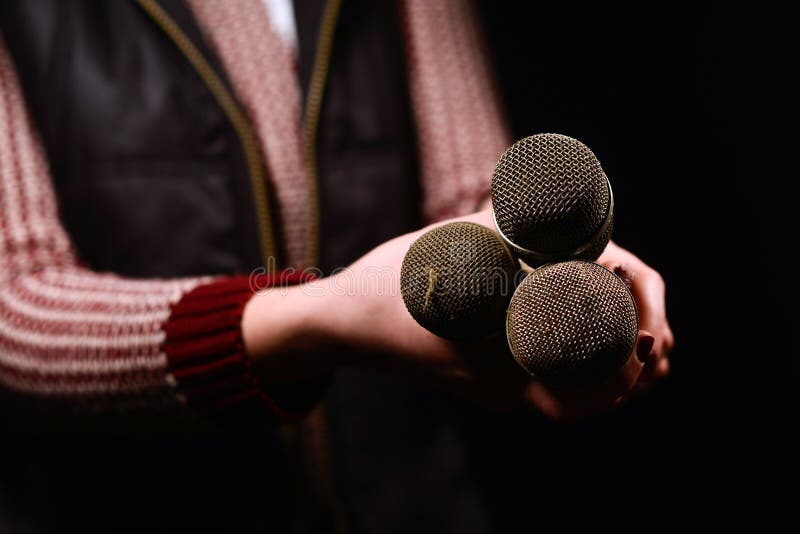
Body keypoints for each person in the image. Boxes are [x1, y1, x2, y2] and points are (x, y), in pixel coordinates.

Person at [0, 0, 673, 532]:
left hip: (410, 501)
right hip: (132, 508)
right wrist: (326, 317)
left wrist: (548, 282)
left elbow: (479, 200)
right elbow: (13, 306)